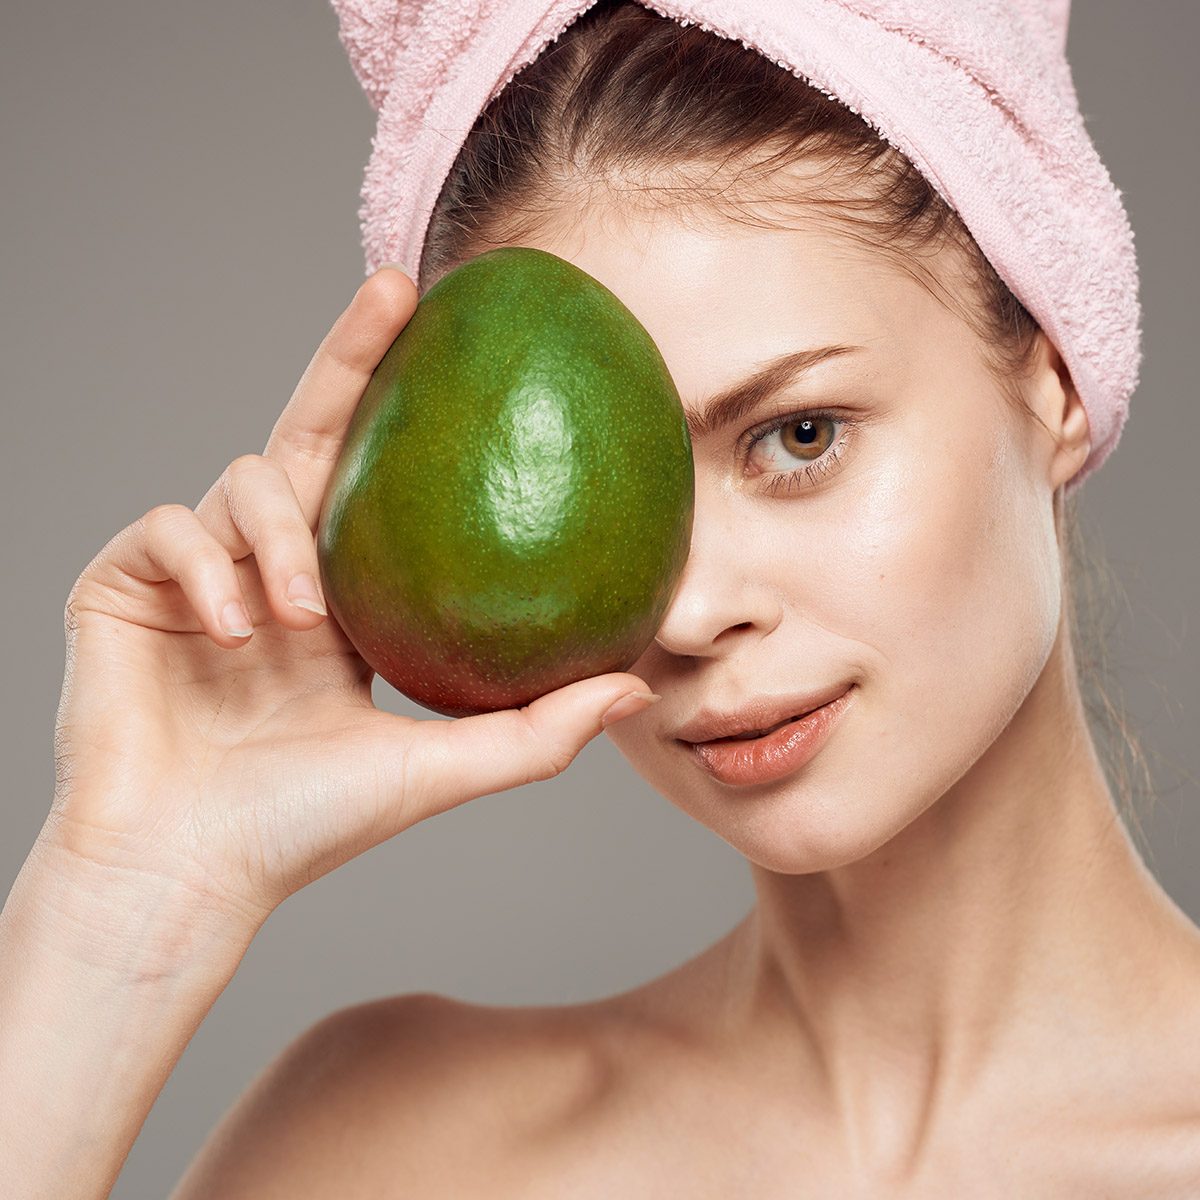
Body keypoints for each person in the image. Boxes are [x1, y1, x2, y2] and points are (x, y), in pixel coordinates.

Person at [4, 1, 1199, 1195]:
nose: (689, 612)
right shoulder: (393, 1152)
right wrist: (129, 899)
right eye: (603, 489)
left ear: (1055, 375)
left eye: (801, 435)